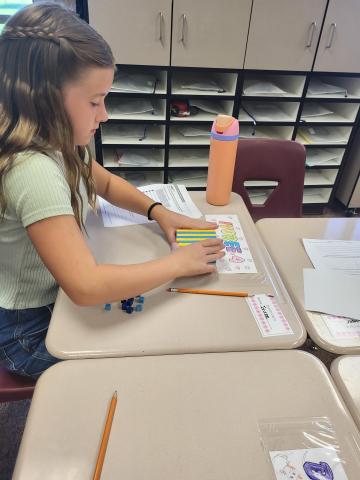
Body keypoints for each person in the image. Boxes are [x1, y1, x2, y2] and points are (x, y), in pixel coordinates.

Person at [0, 3, 224, 379]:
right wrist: (177, 264)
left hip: (55, 301)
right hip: (28, 330)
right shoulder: (32, 170)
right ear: (46, 99)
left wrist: (158, 211)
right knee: (140, 362)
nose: (104, 115)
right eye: (94, 102)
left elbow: (102, 181)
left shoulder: (57, 137)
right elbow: (86, 286)